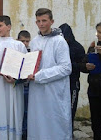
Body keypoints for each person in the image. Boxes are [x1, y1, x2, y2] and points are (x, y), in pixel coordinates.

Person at [27, 8, 72, 139]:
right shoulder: (34, 41)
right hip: (37, 92)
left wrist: (40, 75)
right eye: (38, 21)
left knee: (54, 125)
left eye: (44, 21)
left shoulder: (59, 41)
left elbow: (66, 68)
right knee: (38, 123)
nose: (41, 24)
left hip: (54, 92)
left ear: (52, 21)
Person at [0, 16, 27, 140]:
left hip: (14, 85)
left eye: (0, 25)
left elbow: (25, 66)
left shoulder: (18, 45)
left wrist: (17, 79)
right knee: (0, 111)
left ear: (9, 27)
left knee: (15, 110)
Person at [79, 22, 101, 140]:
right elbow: (83, 64)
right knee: (97, 124)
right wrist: (86, 66)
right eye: (97, 32)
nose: (97, 34)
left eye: (100, 32)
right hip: (95, 92)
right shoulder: (94, 47)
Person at [59, 23, 85, 131]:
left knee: (70, 109)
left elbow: (83, 66)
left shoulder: (77, 47)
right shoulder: (57, 45)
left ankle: (69, 132)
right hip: (59, 83)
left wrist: (69, 66)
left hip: (72, 83)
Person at [17, 30, 31, 140]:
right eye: (22, 41)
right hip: (17, 87)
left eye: (27, 41)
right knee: (18, 111)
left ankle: (26, 133)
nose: (25, 44)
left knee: (27, 111)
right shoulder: (15, 53)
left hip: (29, 86)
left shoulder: (32, 53)